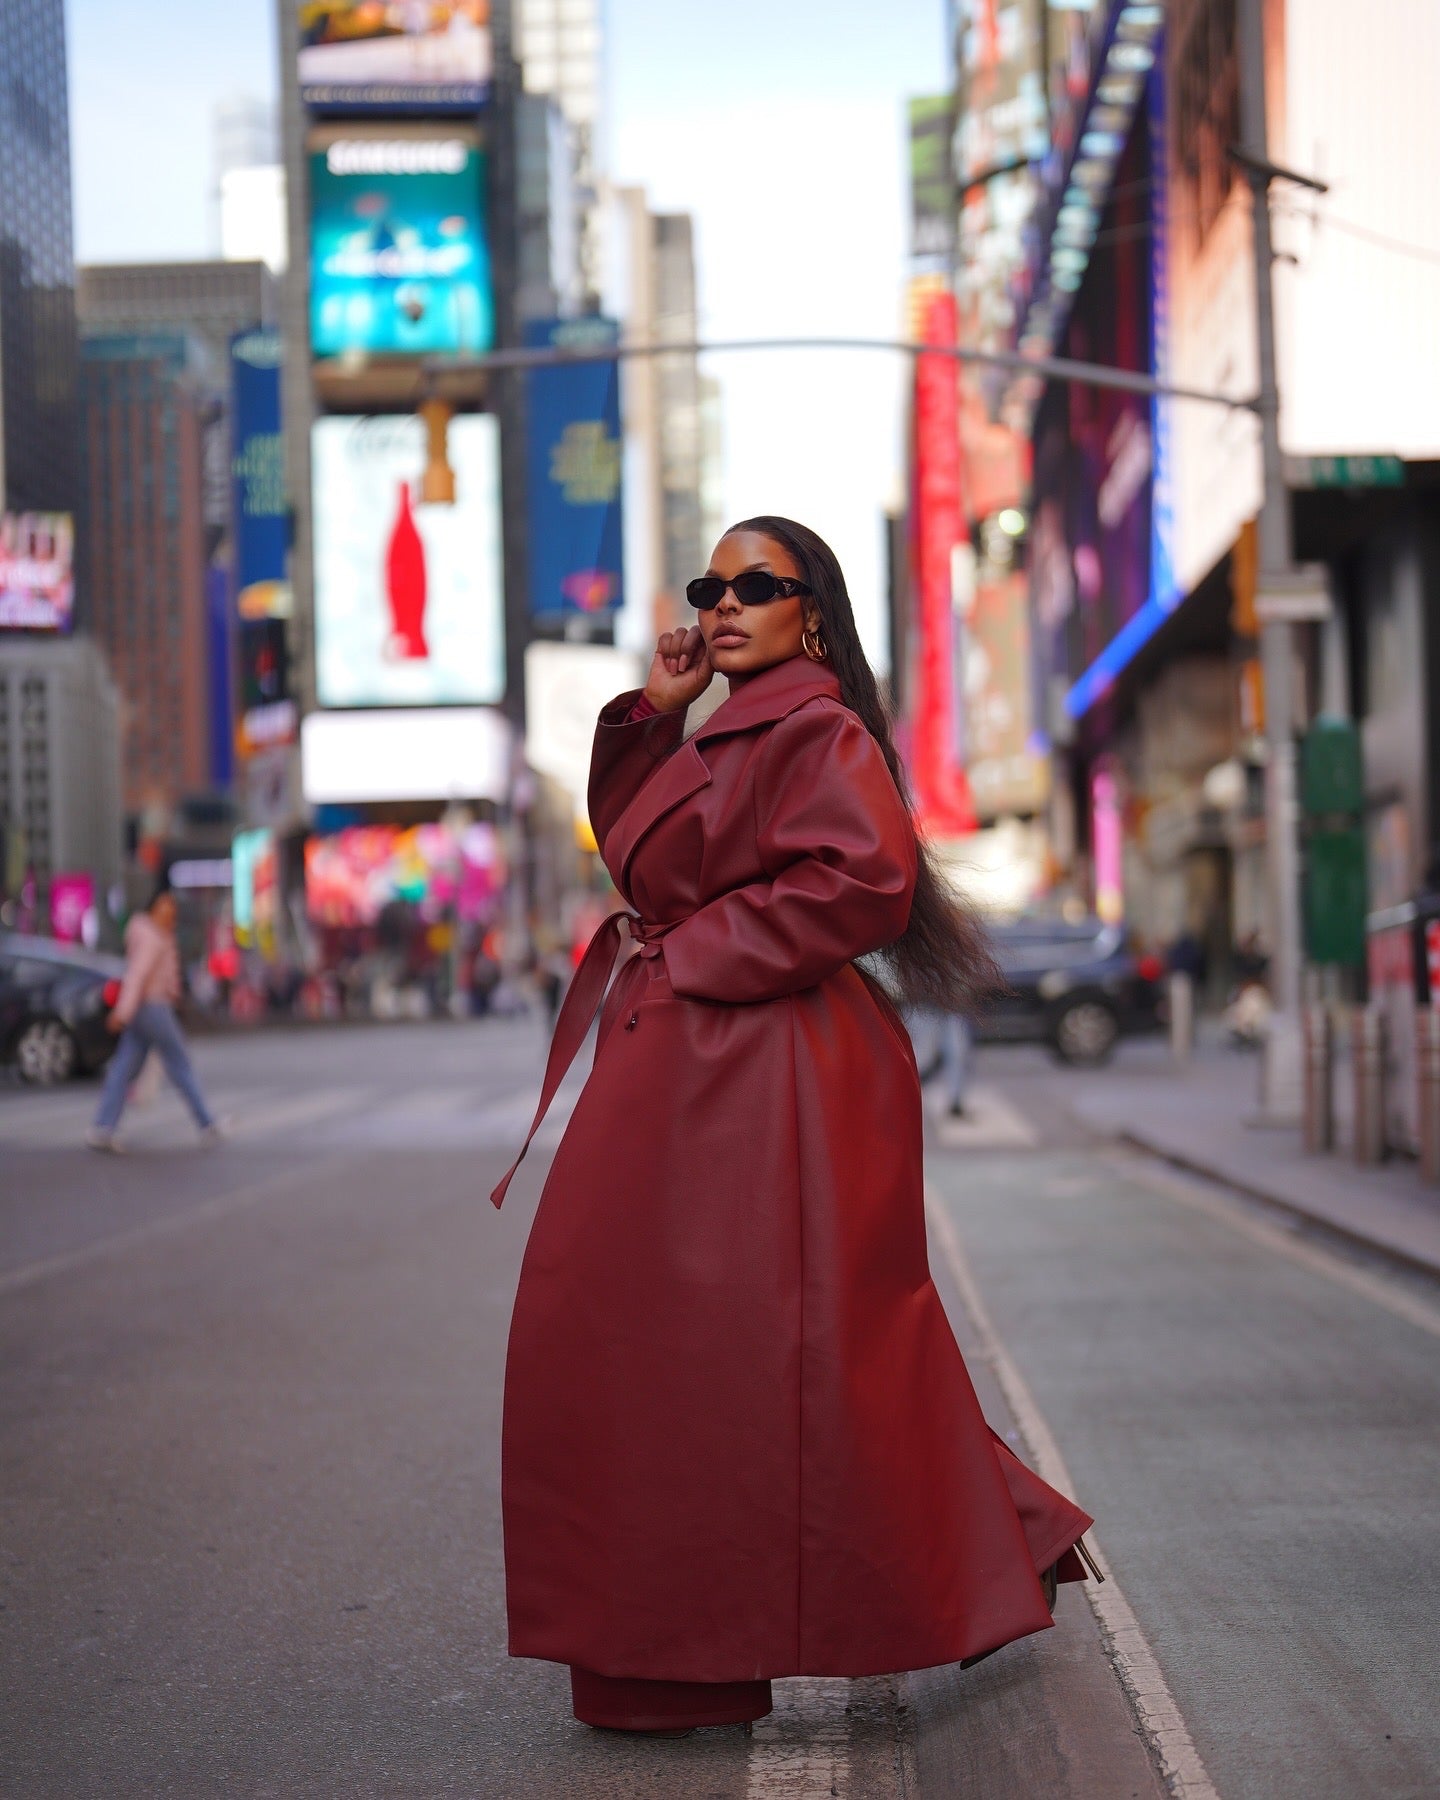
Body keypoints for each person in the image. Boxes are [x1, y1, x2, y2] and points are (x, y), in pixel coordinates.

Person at [493, 517, 1099, 1736]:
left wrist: (699, 953)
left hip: (771, 1067)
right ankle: (682, 1639)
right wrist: (653, 712)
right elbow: (644, 863)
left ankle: (703, 1642)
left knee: (767, 1346)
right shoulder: (729, 725)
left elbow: (861, 883)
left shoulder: (816, 730)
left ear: (810, 612)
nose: (721, 603)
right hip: (697, 1056)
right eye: (708, 585)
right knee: (639, 1334)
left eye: (753, 586)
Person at [87, 889, 222, 1153]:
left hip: (146, 1008)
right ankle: (206, 1122)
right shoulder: (151, 937)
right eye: (164, 904)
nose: (170, 909)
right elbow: (136, 976)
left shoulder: (157, 934)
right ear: (152, 908)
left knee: (124, 1067)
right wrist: (122, 1013)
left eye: (171, 905)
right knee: (179, 1063)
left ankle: (103, 1127)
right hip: (153, 1008)